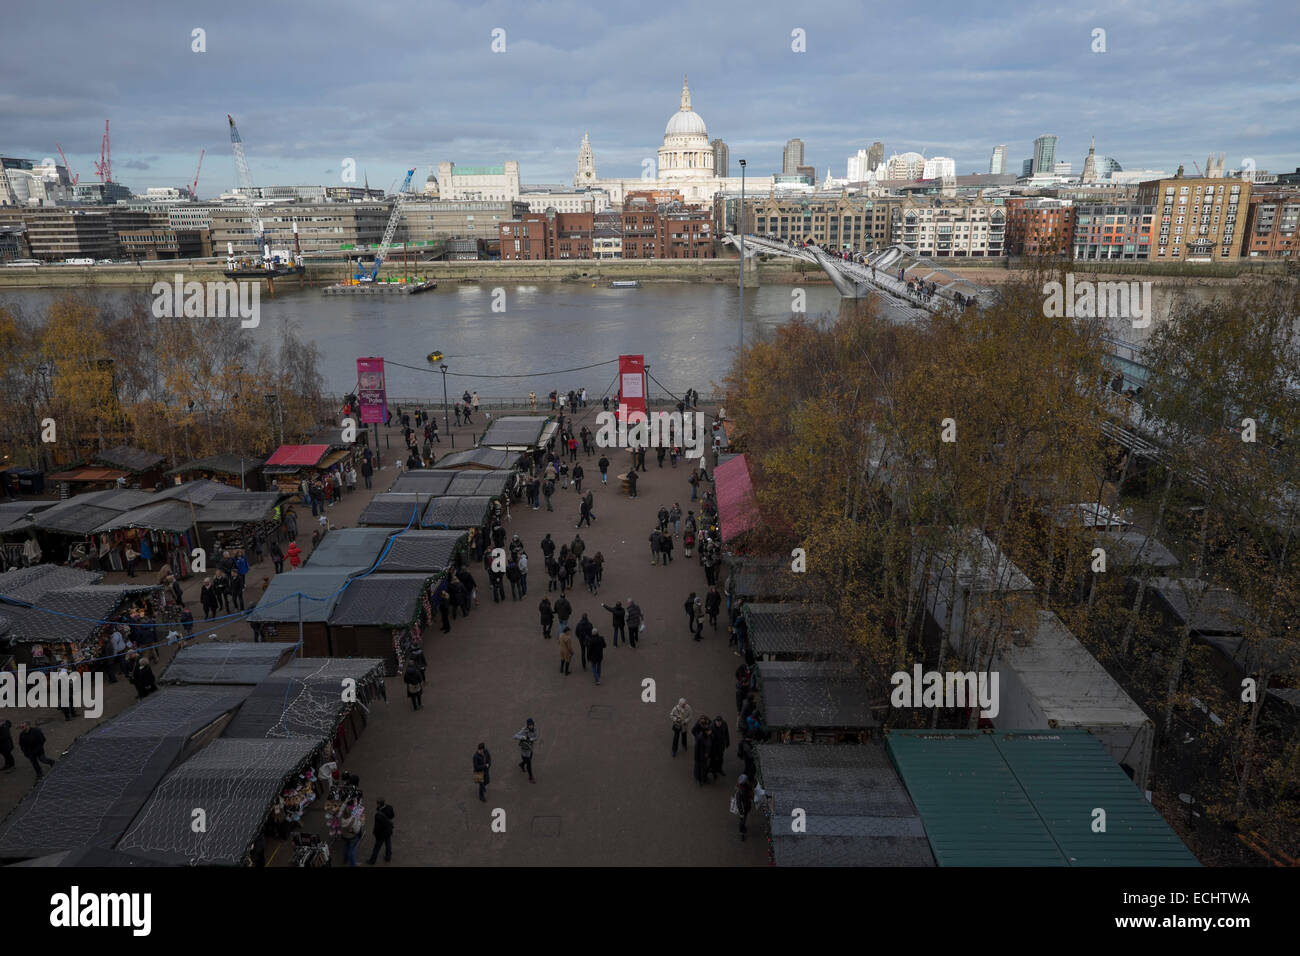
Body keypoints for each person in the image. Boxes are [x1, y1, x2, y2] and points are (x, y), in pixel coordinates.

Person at [367, 799, 395, 864]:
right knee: (388, 843)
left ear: (379, 804)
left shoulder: (378, 815)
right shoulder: (389, 807)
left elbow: (377, 827)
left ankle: (372, 861)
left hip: (381, 833)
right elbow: (392, 815)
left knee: (377, 847)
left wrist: (374, 832)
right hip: (388, 830)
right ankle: (388, 857)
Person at [339, 797, 365, 866]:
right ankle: (353, 864)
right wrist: (361, 822)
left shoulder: (340, 817)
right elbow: (357, 830)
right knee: (352, 850)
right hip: (352, 837)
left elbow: (341, 810)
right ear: (350, 812)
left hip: (344, 835)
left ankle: (345, 859)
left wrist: (345, 802)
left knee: (346, 847)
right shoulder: (353, 820)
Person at [514, 719, 538, 783]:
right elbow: (515, 736)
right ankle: (531, 777)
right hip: (524, 750)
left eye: (532, 725)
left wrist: (531, 739)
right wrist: (522, 737)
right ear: (527, 725)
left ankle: (521, 764)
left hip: (530, 748)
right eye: (530, 725)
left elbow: (536, 737)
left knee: (527, 760)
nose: (531, 726)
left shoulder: (535, 729)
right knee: (529, 764)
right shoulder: (524, 730)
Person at [733, 775, 756, 841]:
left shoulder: (746, 786)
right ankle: (742, 832)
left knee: (744, 819)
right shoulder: (739, 792)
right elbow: (739, 803)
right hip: (743, 809)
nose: (748, 781)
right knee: (742, 820)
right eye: (746, 780)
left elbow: (749, 793)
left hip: (747, 807)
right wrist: (741, 812)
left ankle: (743, 827)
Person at [692, 717, 712, 787]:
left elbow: (709, 745)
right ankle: (699, 779)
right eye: (709, 731)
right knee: (699, 768)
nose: (710, 732)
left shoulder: (708, 736)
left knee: (704, 767)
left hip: (705, 756)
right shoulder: (700, 738)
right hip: (700, 756)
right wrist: (696, 757)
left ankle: (703, 778)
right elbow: (696, 748)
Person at [709, 714, 731, 779]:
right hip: (714, 746)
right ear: (715, 721)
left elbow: (727, 733)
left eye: (720, 722)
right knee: (713, 759)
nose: (718, 723)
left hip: (721, 745)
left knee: (720, 758)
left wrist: (727, 742)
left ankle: (719, 769)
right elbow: (709, 738)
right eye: (717, 722)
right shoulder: (711, 726)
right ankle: (713, 770)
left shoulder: (724, 724)